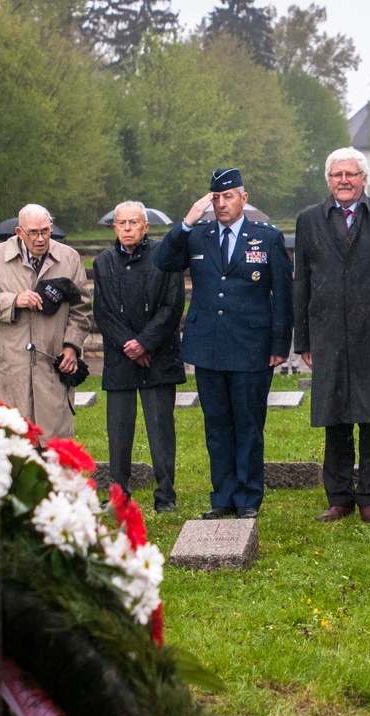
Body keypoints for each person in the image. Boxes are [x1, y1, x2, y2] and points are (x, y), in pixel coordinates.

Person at [155, 168, 293, 520]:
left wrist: (280, 344)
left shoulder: (265, 237)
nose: (221, 204)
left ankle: (248, 497)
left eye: (228, 196)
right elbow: (163, 261)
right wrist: (185, 223)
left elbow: (283, 295)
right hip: (210, 345)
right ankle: (223, 496)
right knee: (216, 425)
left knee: (248, 423)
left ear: (243, 199)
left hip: (251, 344)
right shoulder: (197, 235)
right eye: (215, 198)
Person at [294, 146, 370, 524]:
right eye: (336, 175)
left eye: (350, 174)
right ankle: (339, 496)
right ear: (328, 180)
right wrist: (304, 341)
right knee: (335, 417)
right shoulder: (309, 220)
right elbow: (303, 284)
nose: (343, 181)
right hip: (328, 332)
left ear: (364, 179)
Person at [0, 203, 91, 442]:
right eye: (33, 232)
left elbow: (81, 309)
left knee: (55, 445)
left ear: (51, 227)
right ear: (19, 232)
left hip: (52, 365)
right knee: (14, 443)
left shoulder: (70, 259)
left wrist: (71, 346)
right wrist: (14, 301)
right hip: (10, 366)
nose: (40, 238)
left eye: (45, 231)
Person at [93, 201, 186, 514]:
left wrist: (145, 343)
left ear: (146, 227)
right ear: (115, 227)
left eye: (134, 223)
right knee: (118, 432)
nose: (128, 228)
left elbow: (172, 307)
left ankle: (165, 497)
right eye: (122, 223)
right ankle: (119, 497)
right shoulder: (103, 262)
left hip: (158, 355)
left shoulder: (165, 257)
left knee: (160, 429)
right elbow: (103, 312)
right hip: (121, 358)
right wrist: (129, 346)